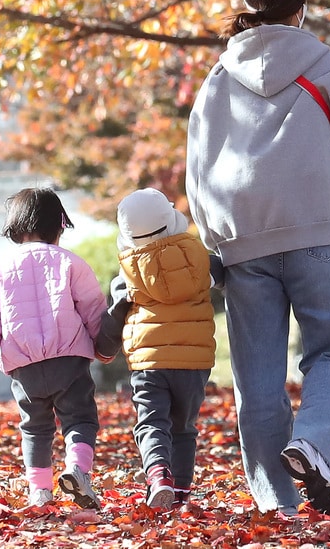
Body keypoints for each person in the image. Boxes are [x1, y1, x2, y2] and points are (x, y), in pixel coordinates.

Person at [185, 0, 330, 515]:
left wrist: (214, 237)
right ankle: (312, 442)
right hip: (319, 229)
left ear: (249, 2)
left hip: (243, 240)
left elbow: (197, 170)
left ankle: (278, 503)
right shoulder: (324, 65)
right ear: (301, 6)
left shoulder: (217, 78)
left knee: (258, 380)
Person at [0, 187, 108, 510]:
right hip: (68, 358)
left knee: (35, 427)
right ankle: (77, 470)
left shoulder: (0, 270)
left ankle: (40, 491)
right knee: (80, 419)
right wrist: (104, 347)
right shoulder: (70, 263)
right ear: (59, 227)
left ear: (15, 227)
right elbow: (93, 308)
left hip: (24, 364)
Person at [101, 188, 217, 509]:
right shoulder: (200, 259)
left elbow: (115, 317)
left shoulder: (128, 273)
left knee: (152, 422)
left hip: (148, 362)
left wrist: (104, 347)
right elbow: (225, 275)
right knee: (183, 428)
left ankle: (158, 474)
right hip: (194, 362)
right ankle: (179, 493)